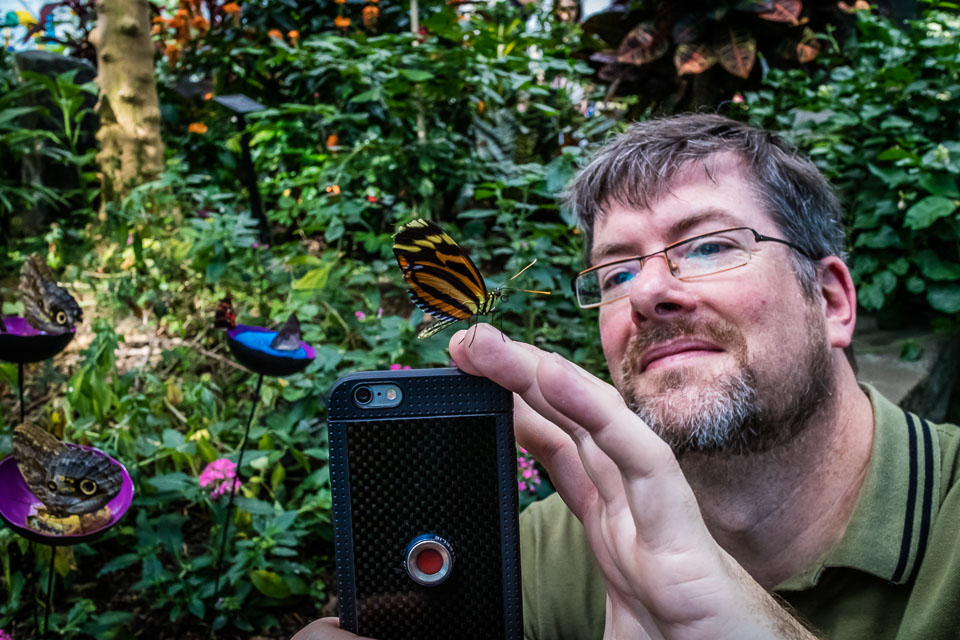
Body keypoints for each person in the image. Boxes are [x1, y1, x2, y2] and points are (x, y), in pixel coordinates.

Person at [293, 114, 960, 640]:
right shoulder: (542, 552)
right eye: (617, 273)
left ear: (832, 301)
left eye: (709, 245)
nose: (646, 293)